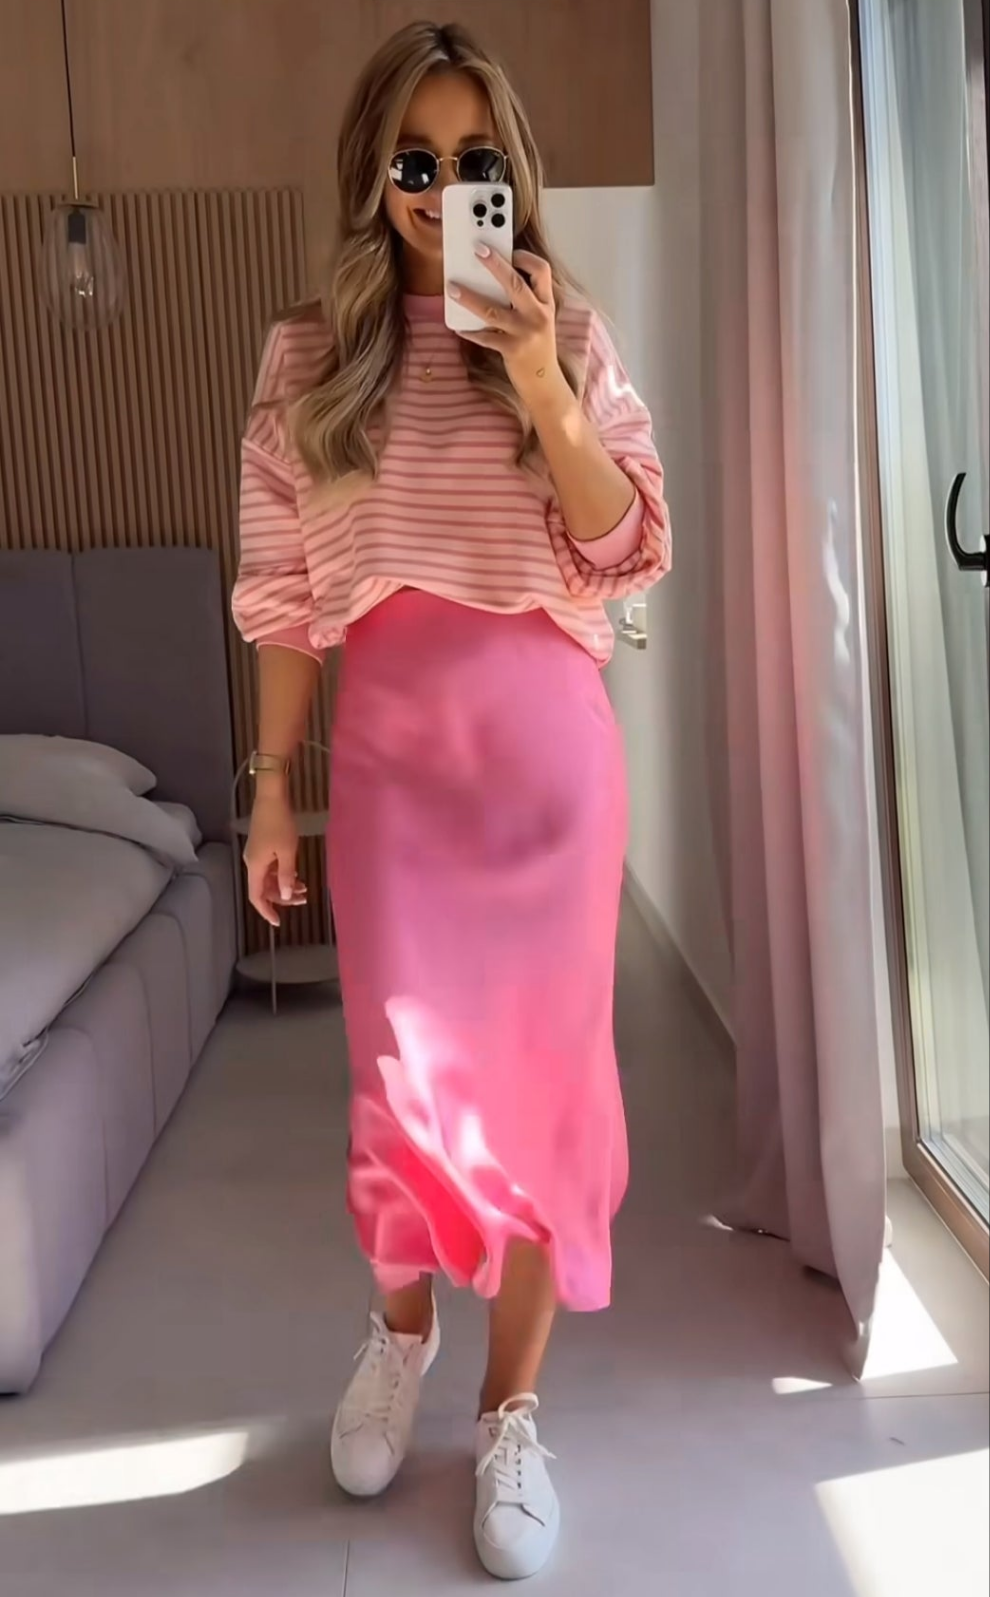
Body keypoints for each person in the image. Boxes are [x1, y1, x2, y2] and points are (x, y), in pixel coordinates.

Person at [232, 19, 670, 1583]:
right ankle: (401, 1334)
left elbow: (626, 547)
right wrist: (269, 790)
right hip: (395, 789)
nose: (440, 188)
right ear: (372, 173)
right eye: (412, 161)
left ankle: (510, 1412)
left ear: (511, 173)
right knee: (398, 1092)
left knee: (547, 1097)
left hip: (550, 780)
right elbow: (284, 600)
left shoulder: (568, 333)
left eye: (472, 160)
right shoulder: (306, 359)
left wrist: (541, 382)